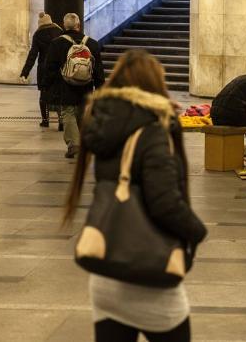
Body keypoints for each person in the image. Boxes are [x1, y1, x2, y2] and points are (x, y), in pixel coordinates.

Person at [63, 49, 207, 342]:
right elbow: (164, 203)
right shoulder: (153, 130)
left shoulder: (103, 124)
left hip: (106, 279)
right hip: (149, 275)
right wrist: (197, 231)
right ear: (154, 86)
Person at [44, 13, 105, 158]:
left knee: (68, 113)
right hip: (86, 86)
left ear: (64, 25)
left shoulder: (57, 43)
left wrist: (47, 86)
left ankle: (74, 145)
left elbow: (50, 68)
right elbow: (98, 70)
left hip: (66, 86)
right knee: (83, 114)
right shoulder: (92, 44)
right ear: (79, 25)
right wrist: (100, 87)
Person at [20, 12, 64, 130]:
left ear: (40, 23)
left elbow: (33, 55)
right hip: (58, 67)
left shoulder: (38, 34)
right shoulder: (60, 32)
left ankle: (45, 120)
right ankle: (61, 122)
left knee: (44, 95)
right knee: (59, 94)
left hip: (44, 68)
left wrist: (25, 72)